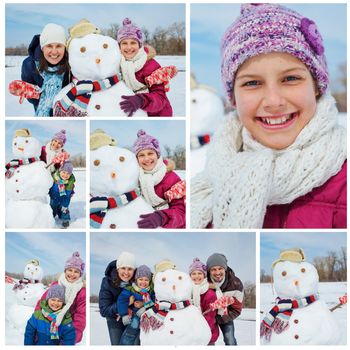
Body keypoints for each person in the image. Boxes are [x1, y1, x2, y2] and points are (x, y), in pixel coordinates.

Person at [191, 3, 346, 229]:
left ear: (317, 86)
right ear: (233, 98)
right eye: (252, 83)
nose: (274, 101)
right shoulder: (210, 182)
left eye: (290, 78)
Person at [117, 18, 173, 117]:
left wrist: (141, 100)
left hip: (157, 115)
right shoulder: (117, 64)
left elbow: (160, 98)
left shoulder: (151, 65)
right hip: (132, 112)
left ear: (139, 45)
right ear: (119, 46)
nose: (129, 47)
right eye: (124, 43)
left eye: (133, 43)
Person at [132, 129, 186, 229]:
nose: (147, 159)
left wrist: (161, 217)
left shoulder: (171, 178)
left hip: (165, 225)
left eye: (150, 153)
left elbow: (182, 213)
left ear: (157, 155)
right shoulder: (135, 178)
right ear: (137, 159)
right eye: (141, 155)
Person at [34, 252, 86, 344]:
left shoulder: (82, 292)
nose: (72, 274)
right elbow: (41, 303)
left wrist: (72, 336)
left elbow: (81, 316)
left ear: (80, 274)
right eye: (70, 270)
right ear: (65, 270)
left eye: (76, 271)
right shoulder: (56, 285)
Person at [21, 23, 71, 116]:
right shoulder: (29, 65)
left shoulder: (71, 63)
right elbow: (31, 98)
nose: (54, 51)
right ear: (42, 47)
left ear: (65, 47)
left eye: (59, 46)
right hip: (41, 111)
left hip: (66, 111)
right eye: (49, 46)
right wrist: (32, 93)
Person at [99, 251, 139, 345]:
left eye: (130, 269)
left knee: (134, 343)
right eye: (123, 268)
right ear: (117, 269)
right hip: (114, 318)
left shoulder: (138, 281)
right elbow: (104, 310)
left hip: (132, 317)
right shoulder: (107, 282)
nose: (126, 272)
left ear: (134, 270)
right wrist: (124, 304)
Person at [206, 253, 243, 346]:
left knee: (230, 340)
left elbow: (236, 309)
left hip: (226, 317)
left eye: (220, 268)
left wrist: (222, 318)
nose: (217, 272)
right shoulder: (204, 282)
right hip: (208, 317)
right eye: (213, 269)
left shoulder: (236, 284)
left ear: (225, 269)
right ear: (209, 271)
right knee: (207, 340)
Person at [117, 264, 155, 345]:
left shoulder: (151, 291)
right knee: (131, 332)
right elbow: (121, 301)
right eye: (141, 279)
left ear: (150, 281)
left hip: (147, 317)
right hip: (134, 316)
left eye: (146, 280)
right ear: (136, 279)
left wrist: (144, 307)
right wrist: (124, 314)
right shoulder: (130, 289)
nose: (143, 282)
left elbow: (155, 302)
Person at [189, 258, 219, 345]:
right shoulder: (187, 292)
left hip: (206, 334)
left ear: (204, 275)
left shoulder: (210, 294)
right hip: (191, 334)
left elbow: (210, 317)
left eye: (199, 273)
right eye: (193, 273)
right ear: (190, 275)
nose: (197, 276)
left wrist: (201, 333)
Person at [49, 161, 75, 228]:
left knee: (64, 209)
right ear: (59, 171)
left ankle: (65, 219)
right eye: (63, 172)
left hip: (64, 198)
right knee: (52, 208)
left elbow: (68, 194)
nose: (65, 175)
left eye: (68, 173)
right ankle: (52, 215)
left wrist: (65, 203)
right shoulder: (54, 178)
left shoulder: (69, 183)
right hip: (54, 197)